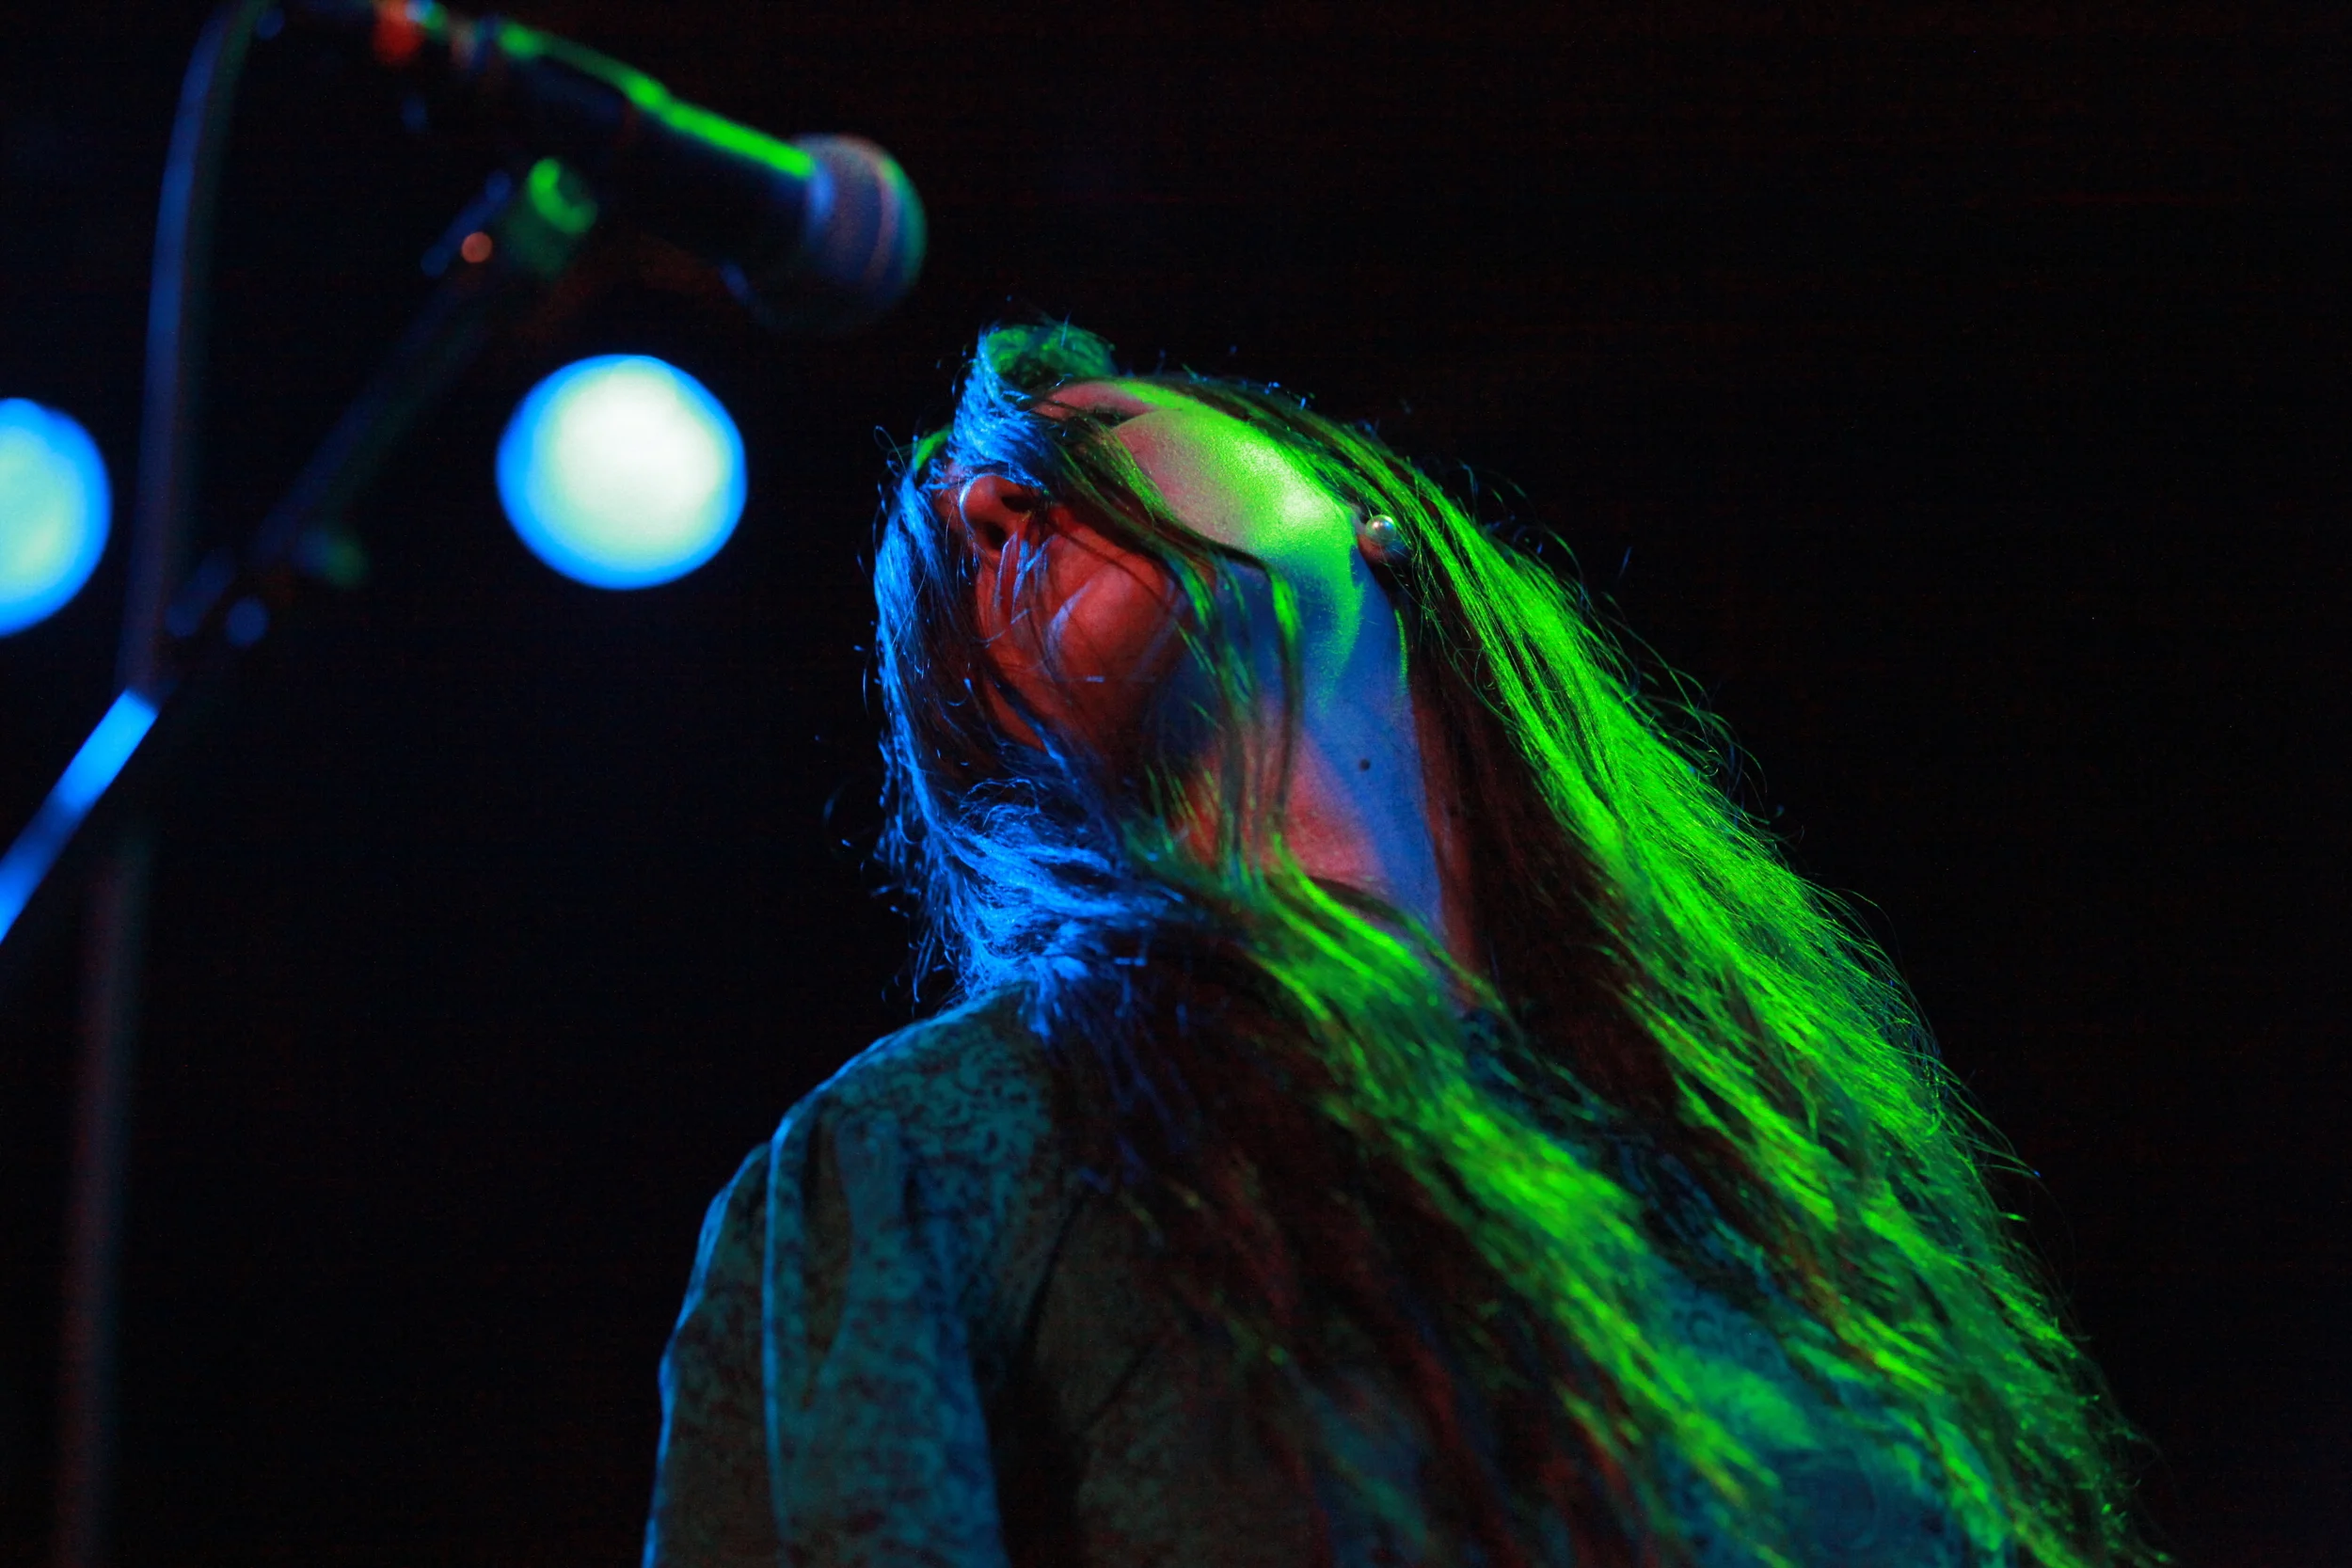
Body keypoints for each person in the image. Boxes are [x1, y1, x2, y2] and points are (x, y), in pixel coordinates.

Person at [641, 323, 2152, 1568]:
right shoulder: (934, 1147)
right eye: (955, 554)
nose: (980, 509)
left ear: (1364, 516)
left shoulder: (1769, 1166)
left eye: (1081, 442)